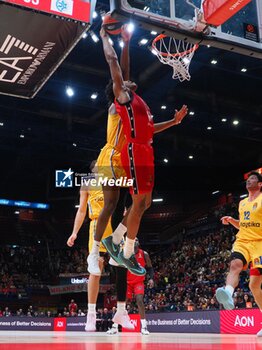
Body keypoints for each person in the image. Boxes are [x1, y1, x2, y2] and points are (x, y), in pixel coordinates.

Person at [94, 25, 188, 276]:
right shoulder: (122, 99)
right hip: (131, 153)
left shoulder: (138, 102)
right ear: (119, 89)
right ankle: (121, 251)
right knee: (131, 203)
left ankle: (116, 240)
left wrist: (173, 122)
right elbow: (114, 63)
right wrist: (105, 37)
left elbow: (149, 128)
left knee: (144, 203)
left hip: (145, 150)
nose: (128, 78)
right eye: (123, 81)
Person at [215, 171, 262, 333]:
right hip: (243, 241)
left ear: (260, 184)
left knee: (254, 285)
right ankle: (228, 293)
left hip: (260, 244)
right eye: (248, 180)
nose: (249, 181)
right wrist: (232, 220)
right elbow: (244, 225)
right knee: (235, 265)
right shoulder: (242, 203)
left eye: (253, 179)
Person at [107, 238, 154, 335]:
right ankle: (115, 327)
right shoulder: (125, 254)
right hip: (127, 282)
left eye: (136, 242)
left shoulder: (144, 254)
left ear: (138, 244)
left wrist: (151, 278)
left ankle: (144, 327)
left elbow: (150, 268)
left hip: (138, 282)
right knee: (122, 303)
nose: (134, 245)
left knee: (140, 301)